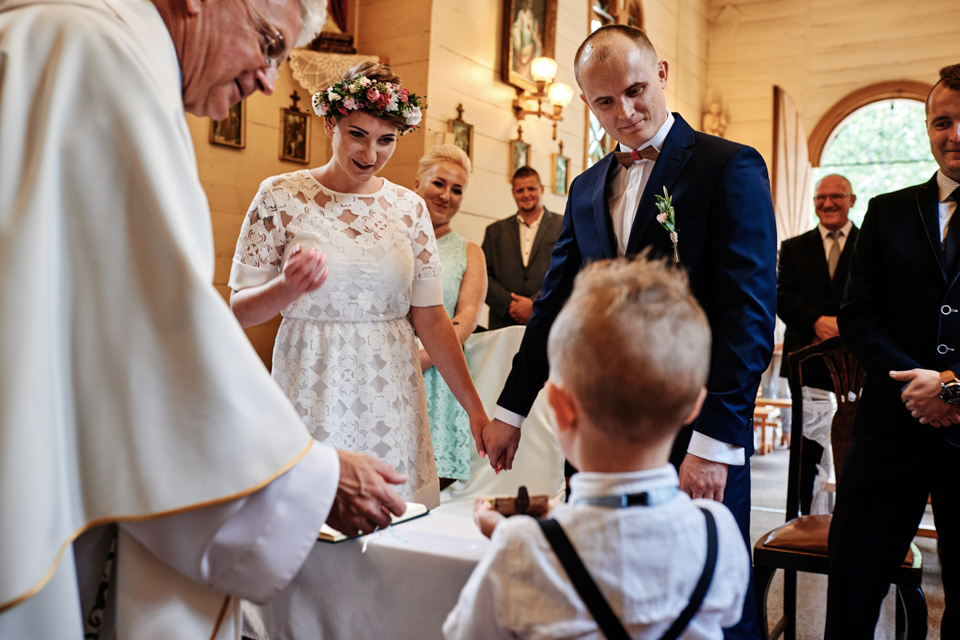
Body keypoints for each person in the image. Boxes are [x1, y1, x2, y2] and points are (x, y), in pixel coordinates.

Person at [0, 0, 410, 637]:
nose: (269, 80)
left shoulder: (103, 53)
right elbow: (159, 336)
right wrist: (307, 477)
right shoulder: (95, 57)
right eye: (268, 43)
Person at [479, 25, 777, 639]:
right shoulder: (587, 187)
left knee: (711, 605)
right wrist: (511, 409)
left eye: (636, 90)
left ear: (662, 73)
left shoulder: (729, 166)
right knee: (600, 588)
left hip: (691, 424)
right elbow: (555, 305)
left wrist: (715, 442)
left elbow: (748, 313)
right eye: (605, 101)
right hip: (597, 432)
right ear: (586, 101)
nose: (626, 112)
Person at [444, 257, 750, 639]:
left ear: (559, 406)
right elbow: (727, 611)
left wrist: (510, 539)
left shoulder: (521, 548)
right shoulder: (717, 531)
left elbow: (465, 633)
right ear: (695, 406)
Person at [230, 62, 489, 509]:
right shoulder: (279, 196)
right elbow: (238, 310)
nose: (371, 153)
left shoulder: (409, 208)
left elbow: (431, 319)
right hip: (311, 379)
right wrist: (286, 288)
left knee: (394, 517)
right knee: (310, 515)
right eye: (358, 134)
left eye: (386, 140)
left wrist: (476, 411)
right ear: (330, 123)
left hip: (390, 387)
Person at [827, 63, 960, 638]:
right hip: (890, 426)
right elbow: (857, 314)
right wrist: (917, 384)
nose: (954, 135)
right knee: (853, 588)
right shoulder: (887, 211)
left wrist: (952, 387)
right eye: (942, 122)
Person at [777, 174, 858, 515]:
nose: (827, 203)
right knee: (806, 446)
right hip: (805, 359)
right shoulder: (793, 247)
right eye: (820, 197)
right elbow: (781, 295)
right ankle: (801, 515)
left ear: (851, 200)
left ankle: (854, 515)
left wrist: (844, 326)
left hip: (858, 363)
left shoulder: (870, 244)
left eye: (836, 196)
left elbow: (880, 296)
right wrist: (816, 322)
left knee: (855, 441)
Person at [413, 144, 488, 487]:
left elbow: (467, 316)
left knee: (428, 487)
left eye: (457, 190)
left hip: (439, 371)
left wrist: (424, 357)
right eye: (439, 183)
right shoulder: (390, 241)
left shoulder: (469, 252)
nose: (446, 196)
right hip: (385, 362)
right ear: (417, 184)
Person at [482, 166, 563, 329]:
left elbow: (568, 270)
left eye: (531, 189)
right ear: (513, 193)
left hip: (549, 322)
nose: (526, 195)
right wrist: (510, 304)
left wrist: (534, 304)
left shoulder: (564, 225)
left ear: (541, 189)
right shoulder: (494, 231)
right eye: (520, 190)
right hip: (503, 324)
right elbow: (482, 275)